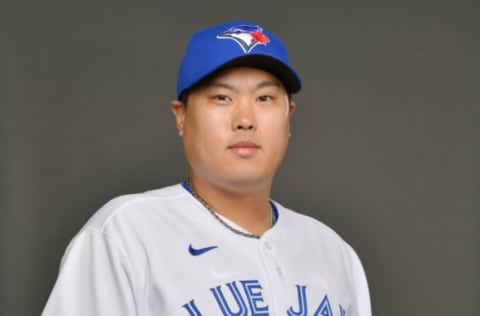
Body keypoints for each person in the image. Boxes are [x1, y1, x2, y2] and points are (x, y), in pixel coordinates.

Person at [42, 20, 371, 316]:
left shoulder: (333, 253)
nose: (245, 120)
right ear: (181, 116)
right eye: (222, 98)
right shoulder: (126, 234)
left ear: (289, 118)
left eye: (265, 99)